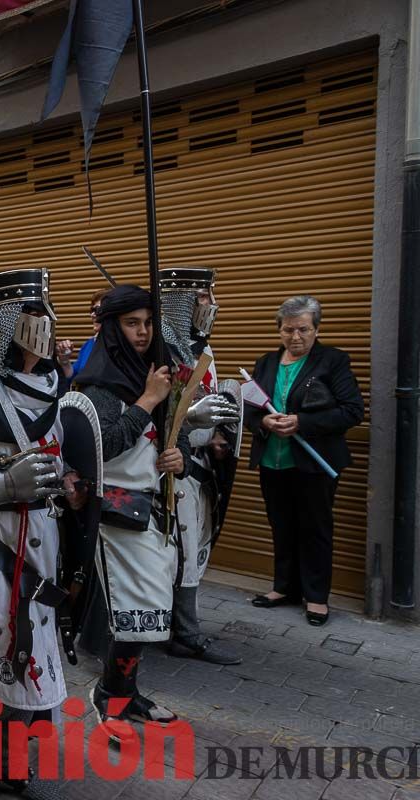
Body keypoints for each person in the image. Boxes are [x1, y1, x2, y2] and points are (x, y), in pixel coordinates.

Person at [0, 268, 90, 795]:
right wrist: (5, 482)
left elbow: (67, 453)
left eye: (46, 312)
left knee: (38, 642)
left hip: (44, 539)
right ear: (3, 322)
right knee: (3, 649)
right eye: (30, 314)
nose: (44, 324)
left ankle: (19, 748)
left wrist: (69, 483)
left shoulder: (54, 385)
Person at [78, 284, 189, 729]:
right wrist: (148, 400)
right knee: (133, 614)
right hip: (116, 514)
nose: (142, 332)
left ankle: (126, 692)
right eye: (131, 323)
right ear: (111, 327)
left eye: (148, 323)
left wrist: (175, 458)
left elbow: (155, 444)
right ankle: (110, 696)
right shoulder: (98, 386)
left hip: (153, 509)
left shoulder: (151, 375)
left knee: (147, 614)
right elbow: (101, 447)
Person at [245, 296, 362, 627]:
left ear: (316, 328)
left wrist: (301, 422)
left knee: (315, 527)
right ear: (278, 330)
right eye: (288, 330)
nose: (295, 337)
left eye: (303, 330)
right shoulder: (265, 363)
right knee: (281, 524)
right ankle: (285, 587)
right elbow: (251, 410)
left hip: (315, 461)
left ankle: (316, 596)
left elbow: (352, 411)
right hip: (273, 459)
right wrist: (262, 423)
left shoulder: (333, 361)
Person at [158, 268, 244, 665]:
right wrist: (191, 416)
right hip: (171, 468)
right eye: (204, 297)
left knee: (196, 549)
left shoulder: (198, 347)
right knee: (182, 552)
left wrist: (219, 432)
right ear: (181, 303)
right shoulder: (163, 353)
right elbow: (157, 413)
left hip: (200, 464)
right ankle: (182, 632)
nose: (212, 304)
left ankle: (180, 628)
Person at [72, 286, 112, 378]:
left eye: (97, 310)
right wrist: (64, 361)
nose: (92, 315)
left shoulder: (122, 346)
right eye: (92, 310)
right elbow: (74, 374)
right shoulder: (88, 344)